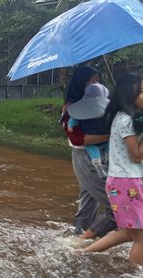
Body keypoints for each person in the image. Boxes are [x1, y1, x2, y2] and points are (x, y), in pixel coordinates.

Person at [83, 74, 143, 265]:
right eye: (142, 92)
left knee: (128, 232)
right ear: (128, 95)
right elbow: (137, 155)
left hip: (125, 180)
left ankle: (82, 253)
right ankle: (133, 273)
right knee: (141, 238)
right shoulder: (125, 120)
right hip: (127, 182)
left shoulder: (124, 118)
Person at [61, 66, 116, 239]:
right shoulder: (70, 109)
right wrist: (113, 134)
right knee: (117, 205)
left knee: (88, 201)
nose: (95, 85)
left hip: (106, 156)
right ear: (79, 84)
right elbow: (78, 139)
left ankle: (79, 236)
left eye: (97, 81)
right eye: (90, 81)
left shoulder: (106, 104)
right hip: (85, 159)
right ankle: (86, 241)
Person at [67, 82, 110, 177]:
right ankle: (101, 164)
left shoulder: (78, 109)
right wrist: (70, 125)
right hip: (89, 144)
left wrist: (70, 125)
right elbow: (77, 139)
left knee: (86, 191)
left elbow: (74, 118)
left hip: (94, 138)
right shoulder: (107, 109)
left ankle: (103, 160)